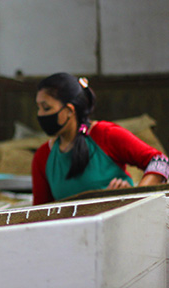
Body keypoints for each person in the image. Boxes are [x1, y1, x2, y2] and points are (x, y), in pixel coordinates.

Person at [32, 72, 169, 205]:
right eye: (38, 108)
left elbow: (160, 161)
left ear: (69, 110)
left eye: (46, 108)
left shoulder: (105, 135)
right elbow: (39, 213)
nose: (40, 114)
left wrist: (134, 198)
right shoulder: (43, 156)